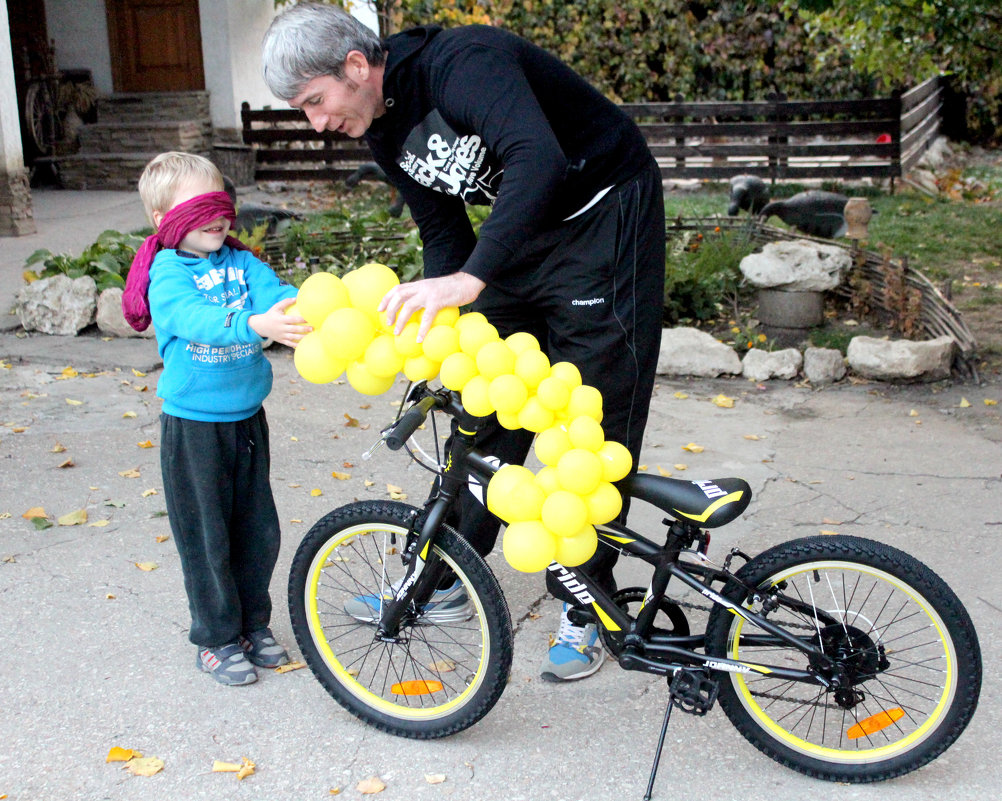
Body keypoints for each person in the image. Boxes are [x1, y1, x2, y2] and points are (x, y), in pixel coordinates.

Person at [262, 4, 666, 682]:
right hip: (528, 225)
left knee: (592, 414)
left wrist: (472, 277)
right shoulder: (383, 128)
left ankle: (587, 601)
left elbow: (539, 156)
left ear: (355, 67)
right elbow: (444, 230)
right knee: (483, 395)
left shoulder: (464, 62)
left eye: (315, 101)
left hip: (605, 212)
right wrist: (438, 305)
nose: (317, 122)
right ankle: (450, 575)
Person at [123, 152, 311, 685]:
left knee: (258, 531)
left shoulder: (240, 261)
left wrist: (298, 306)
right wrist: (252, 323)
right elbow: (193, 318)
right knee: (206, 536)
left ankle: (253, 625)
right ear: (164, 220)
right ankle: (216, 636)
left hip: (247, 419)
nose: (219, 215)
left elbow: (274, 291)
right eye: (201, 206)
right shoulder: (166, 272)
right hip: (193, 426)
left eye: (222, 202)